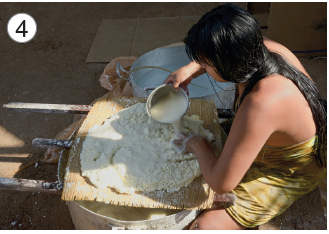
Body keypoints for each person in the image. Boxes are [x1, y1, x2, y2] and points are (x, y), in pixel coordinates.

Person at [164, 4, 327, 230]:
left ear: (227, 63)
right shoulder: (262, 47)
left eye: (208, 64)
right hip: (270, 135)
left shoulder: (261, 103)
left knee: (205, 226)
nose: (205, 67)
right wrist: (189, 69)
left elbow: (222, 183)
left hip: (288, 169)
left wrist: (197, 144)